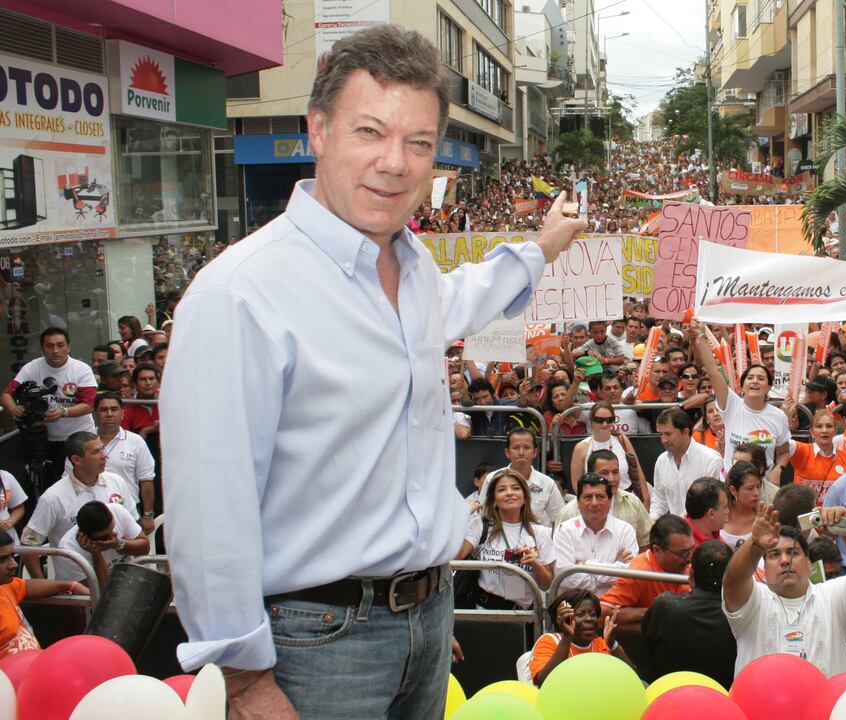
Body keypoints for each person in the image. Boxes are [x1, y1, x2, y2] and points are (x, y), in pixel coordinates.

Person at [161, 25, 588, 718]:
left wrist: (543, 246)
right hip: (310, 644)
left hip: (429, 618)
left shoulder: (414, 271)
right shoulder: (239, 293)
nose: (394, 162)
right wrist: (244, 679)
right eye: (370, 131)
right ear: (318, 130)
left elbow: (463, 299)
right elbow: (209, 506)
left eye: (418, 142)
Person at [722, 504, 846, 677]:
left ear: (809, 564)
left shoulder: (832, 597)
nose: (784, 560)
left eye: (793, 553)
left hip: (823, 704)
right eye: (774, 555)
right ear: (764, 567)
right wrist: (755, 545)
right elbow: (733, 582)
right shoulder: (754, 600)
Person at [21, 431, 135, 580]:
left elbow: (135, 528)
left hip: (124, 576)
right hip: (80, 585)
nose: (104, 455)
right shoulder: (53, 497)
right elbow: (28, 544)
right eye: (96, 452)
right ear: (76, 459)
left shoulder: (116, 481)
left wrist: (118, 544)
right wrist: (41, 583)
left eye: (102, 449)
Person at [690, 321, 791, 472]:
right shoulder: (731, 404)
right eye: (750, 378)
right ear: (742, 385)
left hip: (763, 486)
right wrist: (701, 336)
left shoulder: (778, 416)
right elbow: (712, 372)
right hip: (733, 485)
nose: (755, 381)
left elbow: (783, 453)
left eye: (761, 378)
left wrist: (778, 470)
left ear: (769, 387)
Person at [1, 327, 97, 483]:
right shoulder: (32, 367)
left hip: (79, 437)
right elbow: (6, 395)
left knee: (82, 481)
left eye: (60, 345)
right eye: (50, 346)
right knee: (51, 482)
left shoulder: (81, 369)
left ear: (68, 346)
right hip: (46, 438)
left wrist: (63, 412)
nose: (55, 350)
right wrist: (14, 408)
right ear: (42, 348)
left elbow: (88, 405)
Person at [642, 539, 737, 689]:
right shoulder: (740, 615)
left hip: (669, 697)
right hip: (721, 701)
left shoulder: (665, 606)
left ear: (691, 575)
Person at [455, 469, 554, 609]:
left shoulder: (540, 533)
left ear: (525, 497)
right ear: (494, 499)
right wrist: (462, 515)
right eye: (502, 489)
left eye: (516, 488)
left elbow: (546, 584)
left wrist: (536, 565)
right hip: (484, 611)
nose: (509, 493)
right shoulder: (480, 525)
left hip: (523, 616)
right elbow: (457, 556)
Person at [0, 532, 90, 655]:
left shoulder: (5, 586)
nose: (14, 564)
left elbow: (26, 586)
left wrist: (71, 585)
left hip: (36, 665)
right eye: (2, 559)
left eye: (11, 556)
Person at [599, 514, 693, 632]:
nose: (690, 558)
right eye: (683, 553)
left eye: (692, 550)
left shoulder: (690, 565)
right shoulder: (640, 573)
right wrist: (654, 612)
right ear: (657, 550)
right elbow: (603, 613)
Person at [549, 473, 638, 597]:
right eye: (588, 497)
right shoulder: (565, 530)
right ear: (578, 502)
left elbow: (631, 575)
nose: (594, 503)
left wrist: (585, 566)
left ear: (610, 501)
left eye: (600, 497)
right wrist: (615, 568)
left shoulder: (625, 530)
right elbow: (566, 579)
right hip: (574, 607)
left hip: (614, 605)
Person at [86, 392, 157, 533]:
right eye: (104, 410)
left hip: (128, 510)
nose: (109, 414)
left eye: (114, 409)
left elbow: (146, 480)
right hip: (92, 512)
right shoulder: (84, 441)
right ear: (95, 414)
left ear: (122, 413)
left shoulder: (136, 442)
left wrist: (148, 515)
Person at [531, 589, 633, 685]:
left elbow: (633, 678)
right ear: (566, 618)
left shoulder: (601, 644)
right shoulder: (550, 641)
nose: (589, 619)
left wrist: (613, 645)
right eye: (580, 614)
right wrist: (567, 636)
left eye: (592, 614)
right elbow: (543, 681)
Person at [557, 450, 652, 548]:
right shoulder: (569, 513)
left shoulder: (633, 503)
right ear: (591, 475)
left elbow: (646, 544)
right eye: (604, 473)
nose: (612, 479)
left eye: (615, 472)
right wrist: (616, 562)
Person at [478, 429, 564, 527]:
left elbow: (560, 519)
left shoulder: (547, 483)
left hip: (536, 539)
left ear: (535, 452)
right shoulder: (492, 479)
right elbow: (483, 515)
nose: (521, 452)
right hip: (499, 537)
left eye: (527, 447)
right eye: (516, 447)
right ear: (507, 452)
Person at [54, 500, 149, 587]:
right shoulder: (68, 549)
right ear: (86, 536)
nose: (112, 536)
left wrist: (118, 544)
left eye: (112, 529)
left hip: (131, 582)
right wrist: (96, 553)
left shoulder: (117, 511)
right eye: (104, 537)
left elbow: (145, 548)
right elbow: (100, 592)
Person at [570, 401, 648, 505]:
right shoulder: (581, 447)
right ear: (591, 421)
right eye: (599, 420)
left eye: (609, 420)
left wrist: (646, 500)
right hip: (596, 503)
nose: (605, 424)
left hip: (626, 500)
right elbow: (577, 484)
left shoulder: (622, 440)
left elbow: (638, 472)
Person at [650, 408, 723, 518]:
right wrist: (653, 521)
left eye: (668, 434)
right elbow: (659, 501)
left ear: (686, 432)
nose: (663, 440)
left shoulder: (711, 460)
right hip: (674, 530)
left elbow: (712, 504)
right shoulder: (661, 461)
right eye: (661, 434)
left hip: (702, 532)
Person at [773, 408, 846, 506]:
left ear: (835, 431)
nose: (824, 430)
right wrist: (785, 416)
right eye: (819, 426)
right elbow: (779, 440)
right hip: (803, 515)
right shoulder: (801, 450)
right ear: (811, 432)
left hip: (834, 516)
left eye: (828, 426)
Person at [719, 462, 765, 551]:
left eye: (758, 487)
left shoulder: (764, 519)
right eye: (750, 488)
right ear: (733, 490)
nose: (756, 493)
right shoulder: (719, 515)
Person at [684, 477, 728, 546]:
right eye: (725, 507)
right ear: (711, 513)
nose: (728, 511)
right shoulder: (689, 548)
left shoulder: (713, 531)